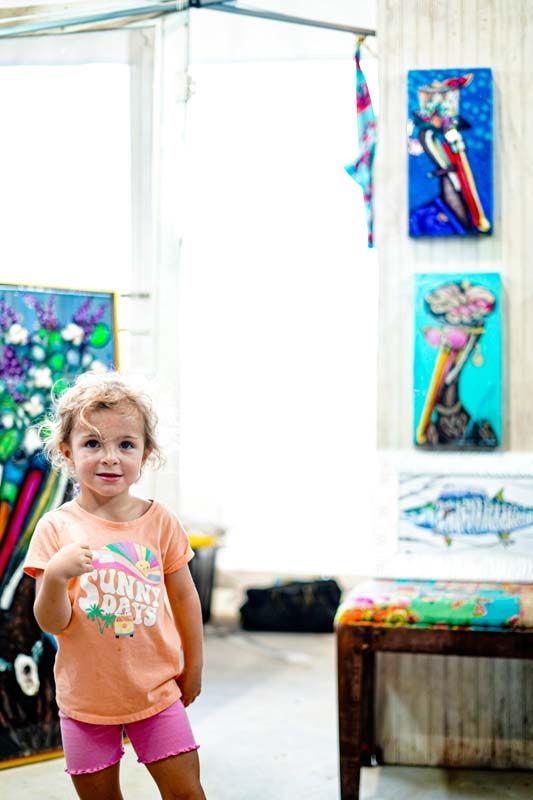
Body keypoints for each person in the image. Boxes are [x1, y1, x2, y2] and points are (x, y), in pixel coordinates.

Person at [23, 371, 206, 800]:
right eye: (92, 444)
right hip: (85, 702)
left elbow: (185, 597)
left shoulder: (160, 522)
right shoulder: (55, 528)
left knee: (187, 793)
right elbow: (52, 622)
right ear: (67, 452)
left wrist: (193, 665)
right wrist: (55, 576)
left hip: (157, 692)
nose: (110, 457)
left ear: (146, 452)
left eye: (126, 444)